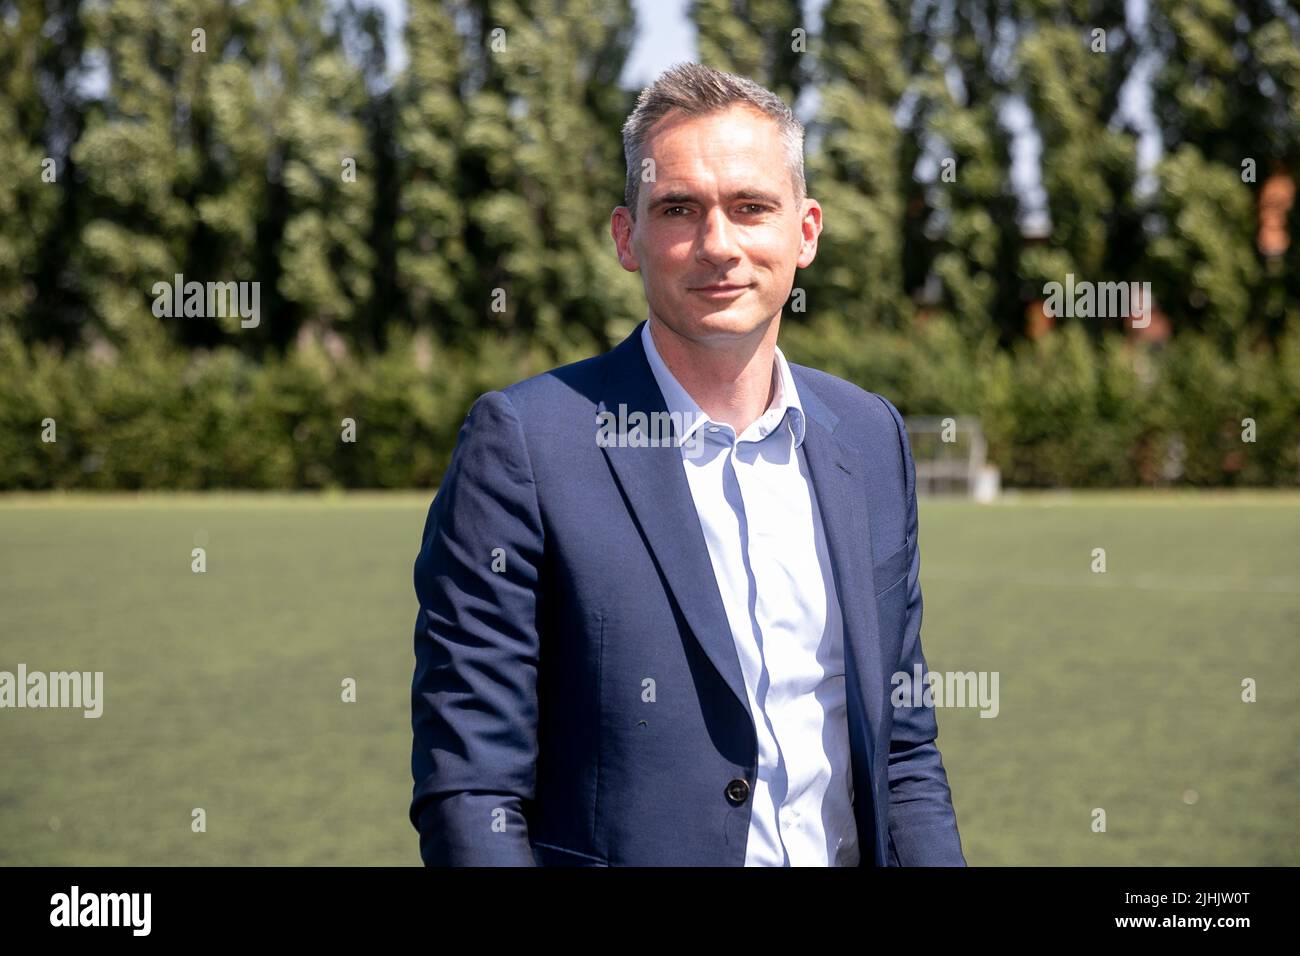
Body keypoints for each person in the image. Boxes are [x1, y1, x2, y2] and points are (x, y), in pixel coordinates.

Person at [409, 61, 966, 866]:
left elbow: (905, 753)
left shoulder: (869, 436)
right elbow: (470, 785)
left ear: (805, 232)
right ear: (627, 238)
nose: (718, 245)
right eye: (679, 209)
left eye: (751, 208)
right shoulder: (525, 445)